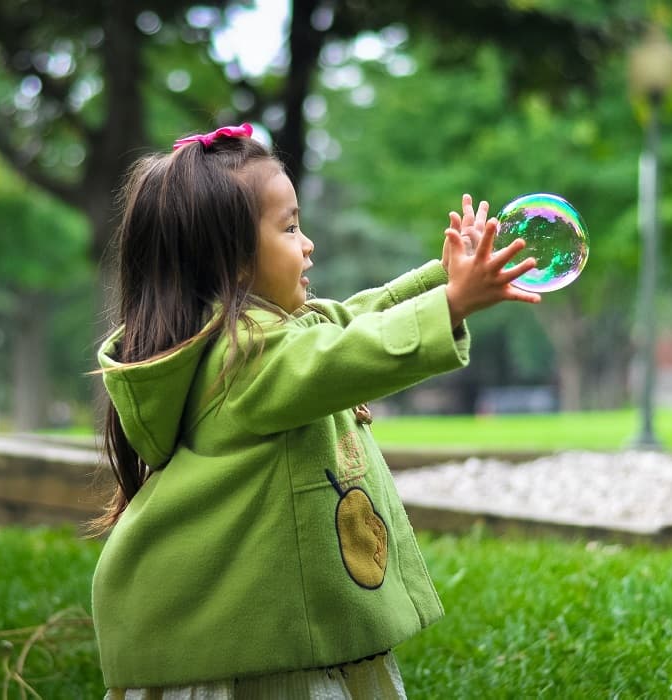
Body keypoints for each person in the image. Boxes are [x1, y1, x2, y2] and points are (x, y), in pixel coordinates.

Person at [90, 123, 540, 699]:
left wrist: (441, 282)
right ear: (234, 262)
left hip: (271, 634)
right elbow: (346, 353)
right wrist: (451, 302)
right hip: (259, 657)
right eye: (290, 227)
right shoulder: (243, 360)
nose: (308, 244)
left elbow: (346, 321)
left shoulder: (260, 337)